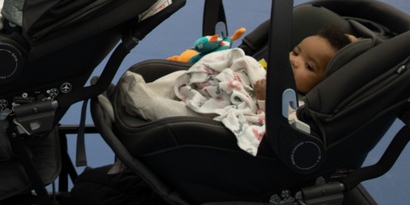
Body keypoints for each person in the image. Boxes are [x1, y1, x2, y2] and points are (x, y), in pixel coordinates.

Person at [116, 26, 354, 156]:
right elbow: (243, 67)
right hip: (217, 88)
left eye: (309, 66)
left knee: (198, 115)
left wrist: (263, 100)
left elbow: (278, 129)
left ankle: (147, 104)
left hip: (226, 112)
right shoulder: (271, 70)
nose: (295, 61)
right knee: (190, 74)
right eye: (295, 52)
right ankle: (151, 90)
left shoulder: (300, 105)